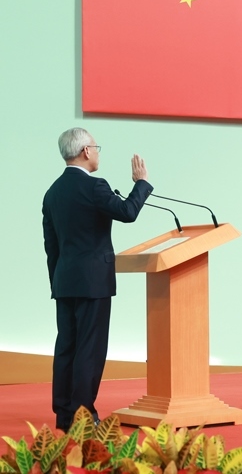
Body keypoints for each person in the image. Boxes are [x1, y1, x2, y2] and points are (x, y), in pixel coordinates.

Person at [42, 128, 152, 430]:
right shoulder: (94, 186)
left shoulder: (52, 192)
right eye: (96, 147)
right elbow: (127, 212)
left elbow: (51, 246)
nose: (98, 153)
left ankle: (65, 416)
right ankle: (84, 416)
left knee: (67, 348)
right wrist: (141, 184)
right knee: (89, 350)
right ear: (86, 151)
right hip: (93, 283)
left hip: (64, 282)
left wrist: (57, 282)